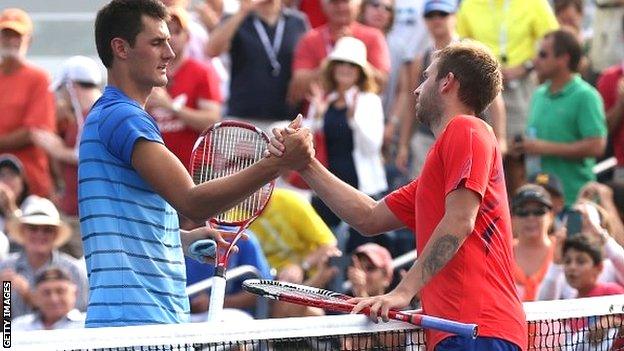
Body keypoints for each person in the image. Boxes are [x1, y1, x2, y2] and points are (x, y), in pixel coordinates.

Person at [271, 40, 526, 350]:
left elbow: (460, 221)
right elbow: (368, 217)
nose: (417, 90)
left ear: (448, 82)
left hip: (476, 331)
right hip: (464, 332)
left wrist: (402, 292)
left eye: (426, 77)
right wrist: (306, 164)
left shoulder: (467, 129)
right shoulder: (443, 160)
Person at [81, 0, 313, 328]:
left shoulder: (108, 114)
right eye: (157, 42)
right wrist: (275, 164)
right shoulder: (123, 116)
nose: (169, 53)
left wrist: (181, 239)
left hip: (138, 318)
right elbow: (192, 201)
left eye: (169, 40)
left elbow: (127, 221)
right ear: (121, 48)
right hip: (138, 320)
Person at [305, 36, 388, 254]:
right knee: (324, 248)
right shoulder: (324, 100)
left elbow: (373, 147)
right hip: (327, 185)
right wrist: (318, 117)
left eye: (352, 64)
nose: (345, 68)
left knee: (360, 253)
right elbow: (310, 144)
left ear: (360, 71)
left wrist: (354, 120)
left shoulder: (370, 100)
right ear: (332, 68)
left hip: (361, 188)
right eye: (340, 62)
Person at [514, 29, 607, 207]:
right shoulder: (539, 94)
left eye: (543, 54)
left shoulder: (586, 96)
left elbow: (597, 145)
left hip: (576, 201)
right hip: (541, 203)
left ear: (563, 58)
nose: (535, 60)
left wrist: (544, 147)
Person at [32, 55, 104, 258]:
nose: (61, 95)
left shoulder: (96, 114)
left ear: (71, 86)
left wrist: (57, 149)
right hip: (74, 214)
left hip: (88, 219)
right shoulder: (82, 117)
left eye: (63, 89)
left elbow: (94, 157)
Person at [206, 0, 309, 131]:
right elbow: (211, 50)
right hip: (242, 119)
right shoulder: (237, 18)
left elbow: (308, 59)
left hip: (285, 120)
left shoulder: (297, 21)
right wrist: (242, 12)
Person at [146, 6, 222, 170]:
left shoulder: (202, 72)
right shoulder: (147, 71)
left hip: (195, 167)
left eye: (176, 32)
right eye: (165, 33)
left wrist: (171, 106)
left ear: (187, 37)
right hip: (156, 169)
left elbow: (211, 121)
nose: (170, 38)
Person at [0, 196, 88, 318]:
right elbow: (5, 325)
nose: (39, 234)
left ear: (56, 234)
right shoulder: (5, 267)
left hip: (60, 337)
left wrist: (30, 296)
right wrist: (3, 295)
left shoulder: (73, 269)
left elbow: (78, 320)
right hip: (13, 336)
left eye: (47, 230)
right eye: (33, 228)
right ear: (22, 231)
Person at [289, 0, 391, 105]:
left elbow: (382, 83)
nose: (341, 7)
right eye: (335, 2)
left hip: (360, 114)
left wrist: (352, 51)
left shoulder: (374, 37)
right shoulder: (310, 39)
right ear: (323, 6)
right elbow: (298, 87)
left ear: (358, 4)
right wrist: (335, 56)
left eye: (345, 2)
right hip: (318, 116)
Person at [0, 8, 56, 198]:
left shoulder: (39, 78)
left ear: (28, 41)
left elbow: (34, 132)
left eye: (17, 35)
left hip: (28, 183)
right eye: (6, 34)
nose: (10, 40)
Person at [510, 184, 555, 301]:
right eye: (523, 212)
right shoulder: (501, 252)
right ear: (512, 218)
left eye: (538, 211)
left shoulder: (563, 250)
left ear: (551, 216)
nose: (531, 218)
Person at [13, 267, 85, 331]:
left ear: (75, 293)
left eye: (60, 291)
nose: (53, 299)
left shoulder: (87, 324)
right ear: (36, 297)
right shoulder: (18, 327)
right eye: (46, 293)